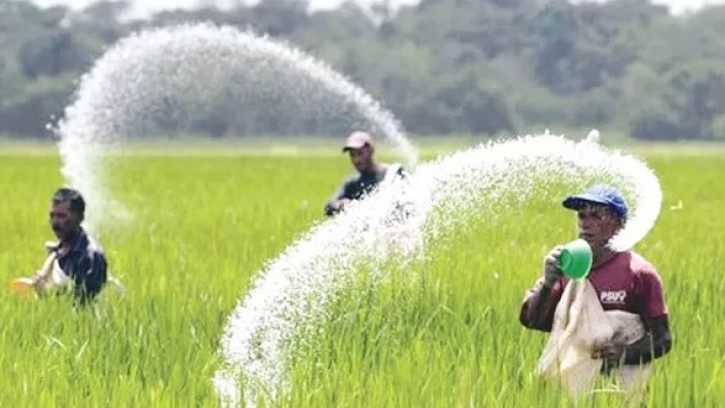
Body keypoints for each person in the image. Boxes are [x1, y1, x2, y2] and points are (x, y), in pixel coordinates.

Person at [519, 184, 672, 374]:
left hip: (621, 390)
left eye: (597, 216)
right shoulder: (567, 267)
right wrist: (548, 283)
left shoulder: (640, 273)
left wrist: (625, 353)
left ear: (619, 224)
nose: (586, 223)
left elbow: (662, 339)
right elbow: (534, 321)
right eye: (582, 215)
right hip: (570, 386)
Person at [31, 188, 108, 304]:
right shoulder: (58, 250)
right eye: (52, 216)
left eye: (62, 216)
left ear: (80, 218)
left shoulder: (90, 256)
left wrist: (47, 293)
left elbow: (85, 303)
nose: (55, 223)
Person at [324, 131, 406, 217]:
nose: (356, 160)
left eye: (360, 153)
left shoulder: (393, 174)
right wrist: (341, 205)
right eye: (352, 155)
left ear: (371, 151)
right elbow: (329, 206)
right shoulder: (353, 184)